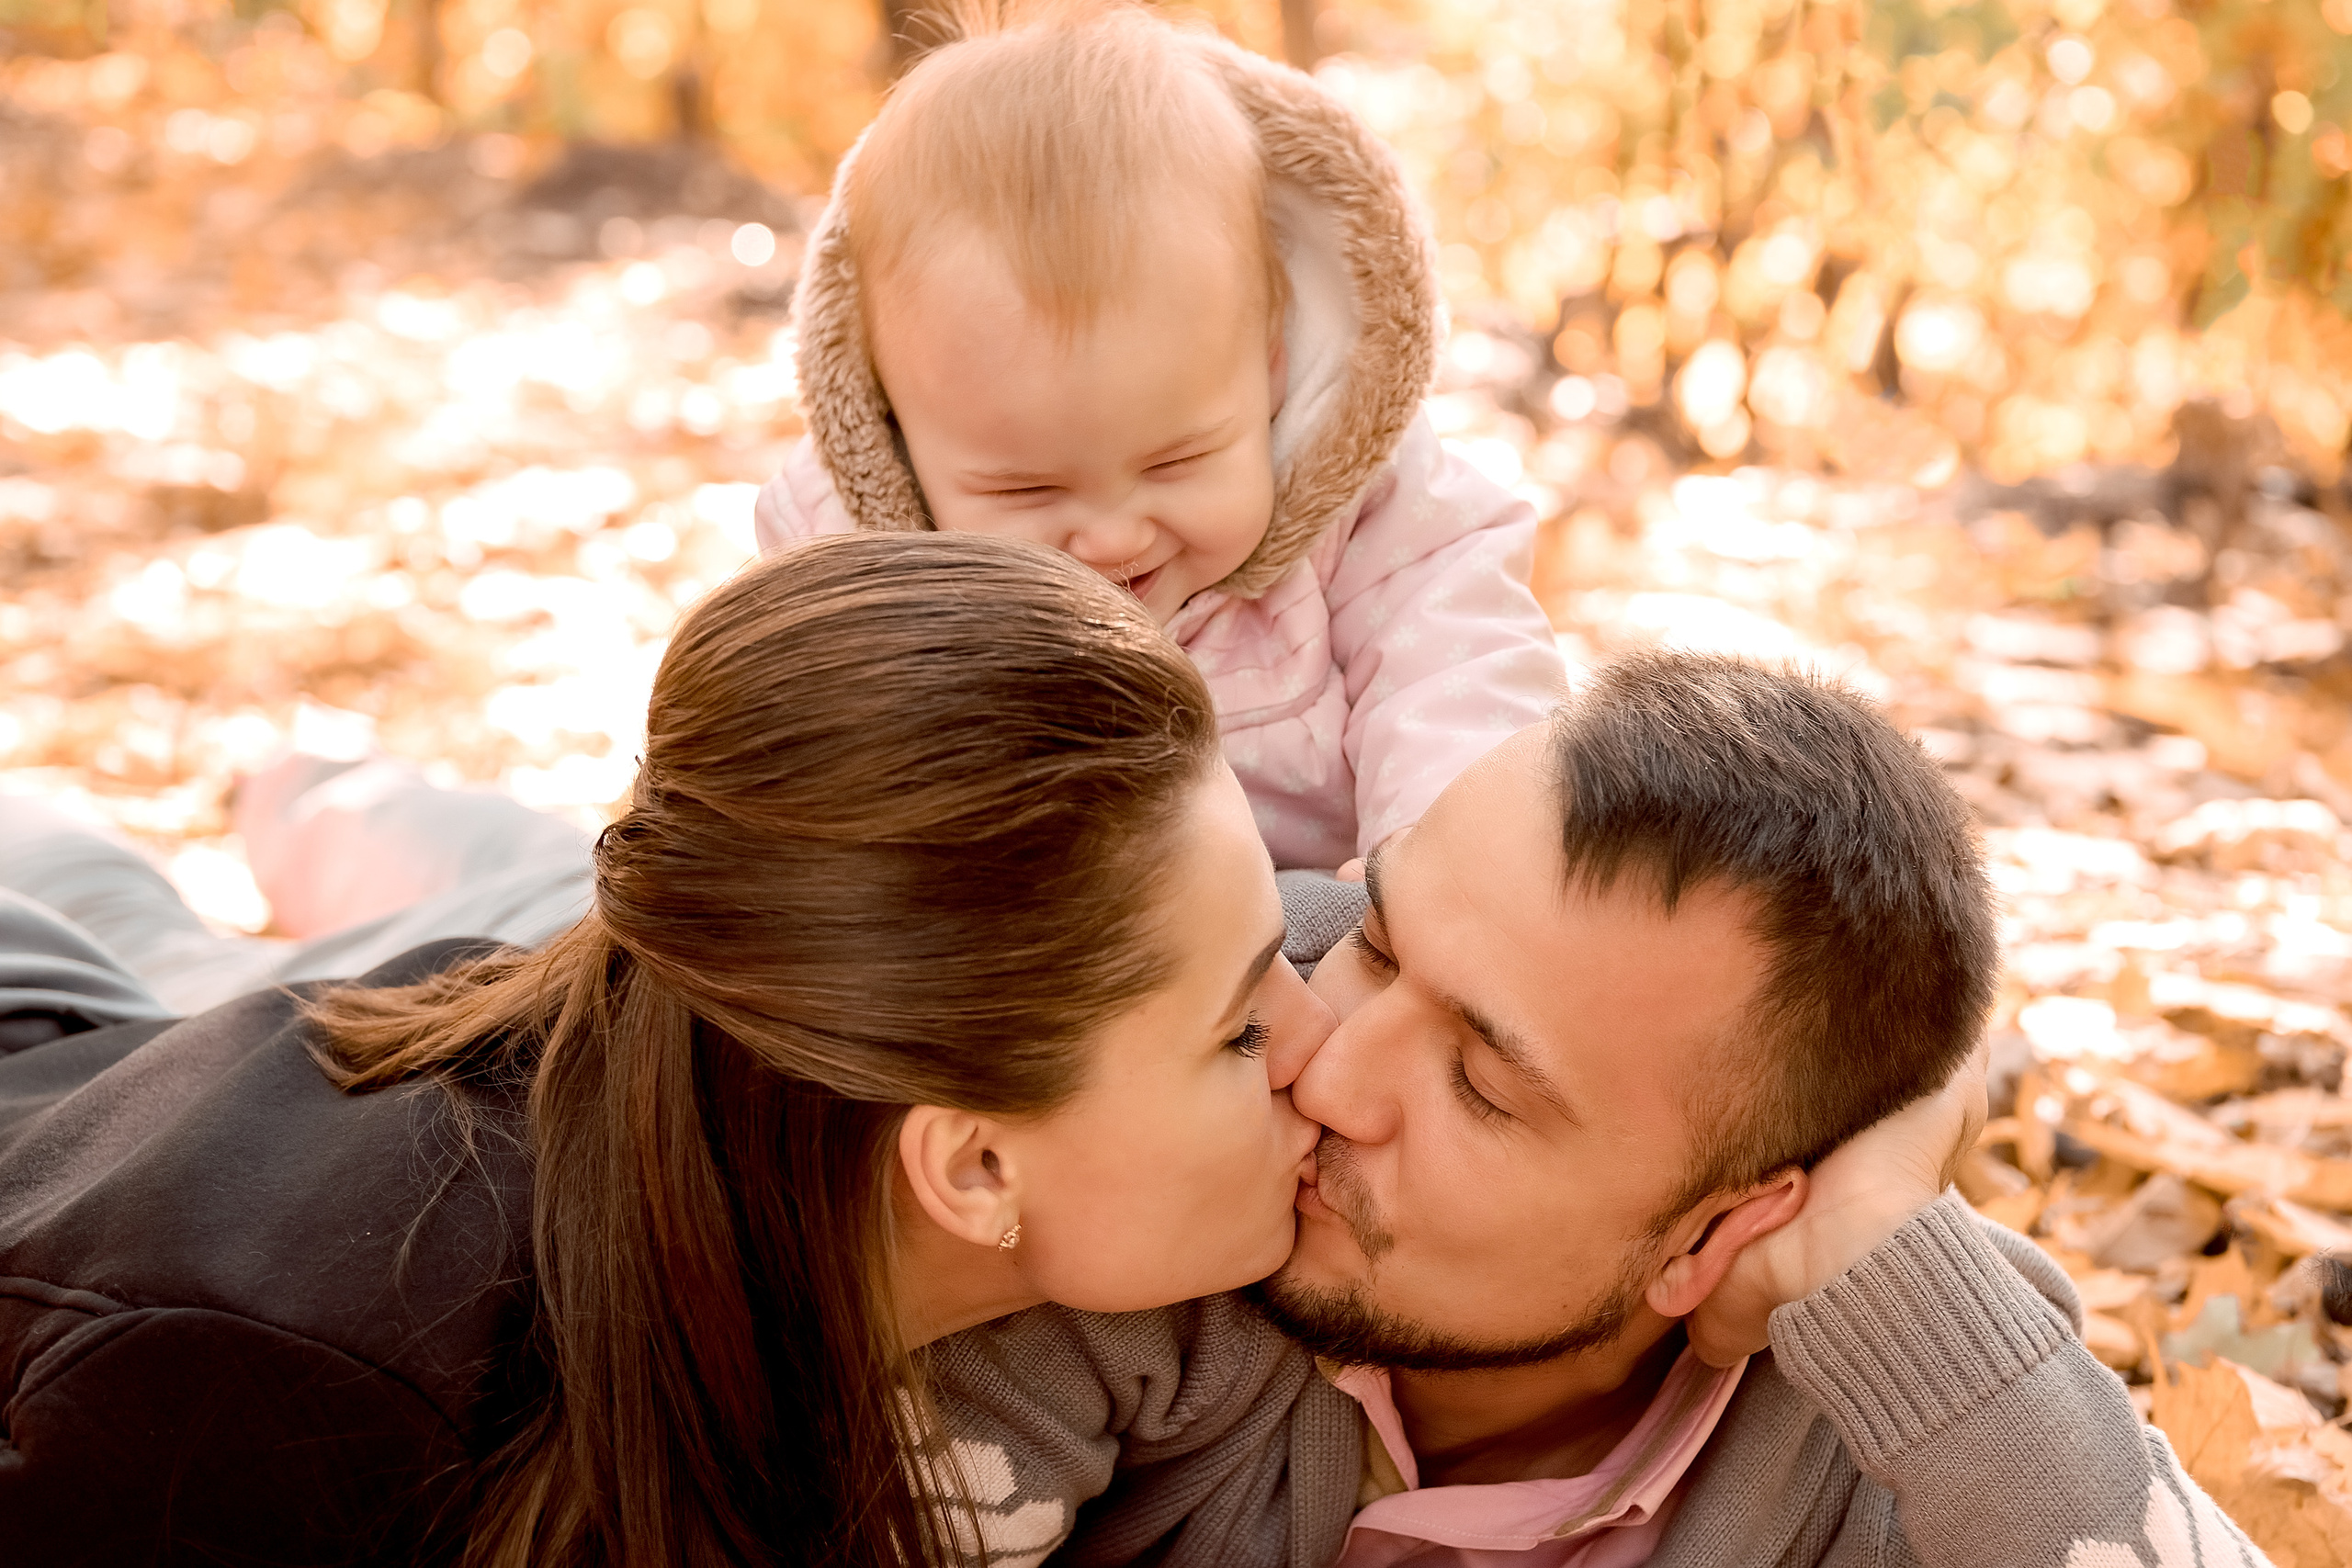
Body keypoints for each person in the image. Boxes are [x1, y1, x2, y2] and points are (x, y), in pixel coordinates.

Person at [0, 532, 1340, 1567]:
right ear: (972, 1166)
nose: (1322, 1039)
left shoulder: (742, 1076)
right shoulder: (300, 1416)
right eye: (1239, 1029)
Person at [913, 652, 2272, 1568]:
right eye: (1378, 941)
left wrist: (1875, 1233)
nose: (1324, 1075)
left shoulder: (1885, 1417)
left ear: (1716, 1233)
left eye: (1481, 1085)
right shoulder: (1178, 1172)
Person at [760, 2, 1566, 871]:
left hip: (1340, 916)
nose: (1113, 538)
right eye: (1026, 488)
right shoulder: (847, 576)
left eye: (1176, 461)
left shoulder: (1373, 510)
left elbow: (1461, 675)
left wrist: (1433, 865)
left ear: (1269, 365)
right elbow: (795, 791)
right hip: (1044, 939)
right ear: (897, 430)